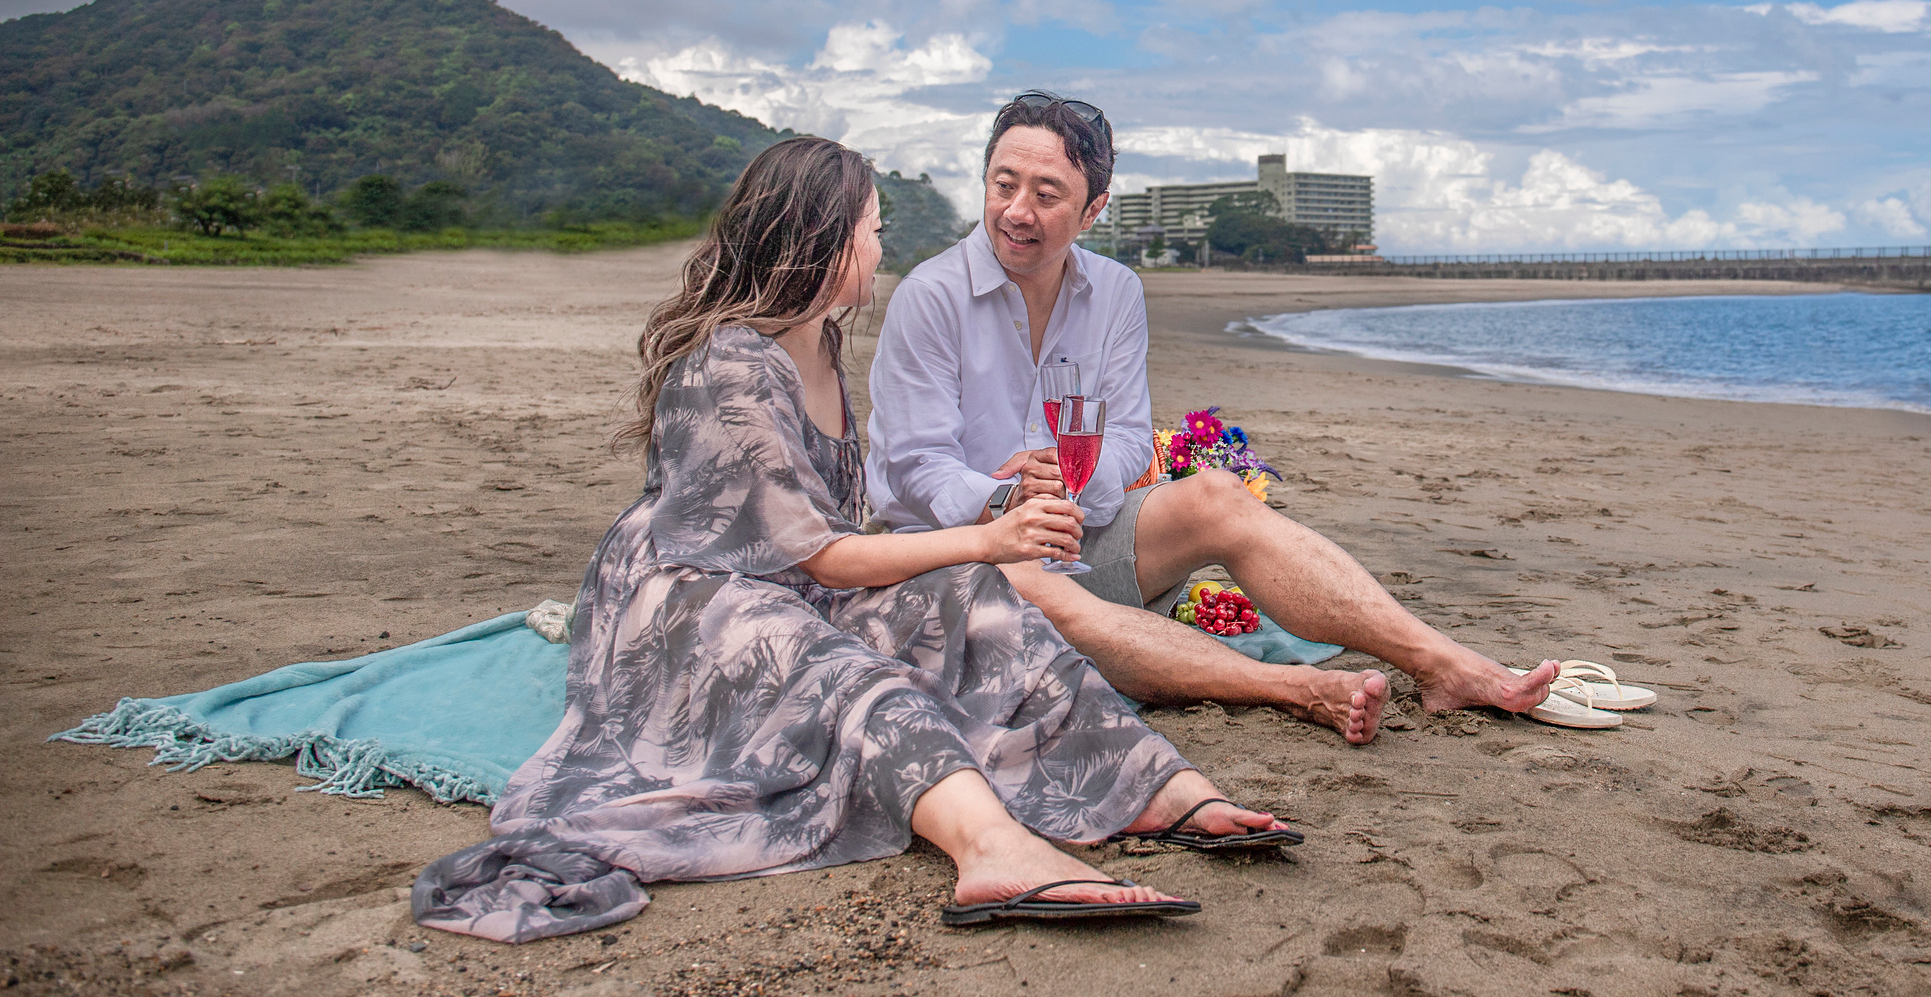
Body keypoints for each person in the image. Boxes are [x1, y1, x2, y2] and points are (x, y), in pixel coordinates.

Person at [413, 136, 1288, 944]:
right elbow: (824, 557)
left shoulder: (822, 343)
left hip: (784, 572)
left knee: (972, 605)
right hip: (688, 594)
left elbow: (833, 538)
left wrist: (972, 560)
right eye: (873, 229)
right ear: (824, 247)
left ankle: (1150, 787)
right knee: (846, 665)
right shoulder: (732, 364)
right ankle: (991, 851)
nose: (880, 246)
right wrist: (987, 539)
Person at [866, 94, 1558, 748]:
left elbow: (1132, 439)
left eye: (1046, 196)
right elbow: (917, 467)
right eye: (1003, 184)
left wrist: (1071, 489)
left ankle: (1439, 663)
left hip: (1073, 537)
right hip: (957, 558)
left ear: (1093, 208)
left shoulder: (1113, 292)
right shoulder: (931, 296)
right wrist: (1008, 502)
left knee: (1218, 497)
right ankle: (1295, 689)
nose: (1017, 210)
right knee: (1038, 581)